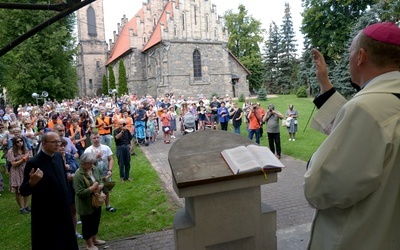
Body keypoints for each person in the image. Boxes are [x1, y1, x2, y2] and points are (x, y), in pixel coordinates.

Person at [305, 22, 400, 250]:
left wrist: (314, 164)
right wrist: (325, 83)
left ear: (361, 56)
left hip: (359, 238)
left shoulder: (365, 109)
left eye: (349, 54)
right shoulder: (383, 103)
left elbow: (321, 189)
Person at [20, 132, 79, 250]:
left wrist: (68, 198)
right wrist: (32, 182)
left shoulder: (57, 157)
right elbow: (23, 191)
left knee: (67, 240)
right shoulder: (34, 162)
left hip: (63, 207)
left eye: (59, 142)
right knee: (50, 242)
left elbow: (63, 180)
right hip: (46, 212)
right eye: (54, 142)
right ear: (44, 143)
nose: (58, 145)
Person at [73, 153, 106, 250]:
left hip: (96, 202)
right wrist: (92, 188)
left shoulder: (94, 168)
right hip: (85, 205)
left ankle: (94, 240)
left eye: (92, 163)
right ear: (83, 163)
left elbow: (99, 179)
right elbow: (79, 193)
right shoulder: (78, 175)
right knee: (87, 224)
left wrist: (100, 185)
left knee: (95, 221)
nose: (91, 165)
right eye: (89, 163)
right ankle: (89, 244)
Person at [84, 132, 116, 212]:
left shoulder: (106, 148)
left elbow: (110, 159)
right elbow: (86, 163)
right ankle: (96, 206)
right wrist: (95, 157)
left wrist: (110, 170)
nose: (96, 139)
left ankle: (108, 206)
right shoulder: (88, 150)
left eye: (98, 137)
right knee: (95, 190)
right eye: (94, 138)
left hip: (105, 174)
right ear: (91, 140)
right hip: (93, 175)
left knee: (106, 190)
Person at [59, 138, 82, 239]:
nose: (62, 147)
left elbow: (78, 168)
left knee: (73, 209)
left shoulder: (69, 156)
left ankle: (74, 231)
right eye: (60, 145)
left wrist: (72, 175)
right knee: (62, 211)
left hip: (71, 186)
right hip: (60, 188)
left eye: (64, 145)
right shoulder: (53, 159)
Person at [7, 136, 33, 213]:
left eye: (21, 141)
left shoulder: (25, 150)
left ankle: (26, 206)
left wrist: (26, 159)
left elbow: (30, 158)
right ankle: (21, 208)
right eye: (17, 142)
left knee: (26, 188)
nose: (20, 143)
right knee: (18, 190)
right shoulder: (11, 151)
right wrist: (23, 159)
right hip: (16, 171)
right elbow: (13, 164)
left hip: (25, 170)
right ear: (14, 143)